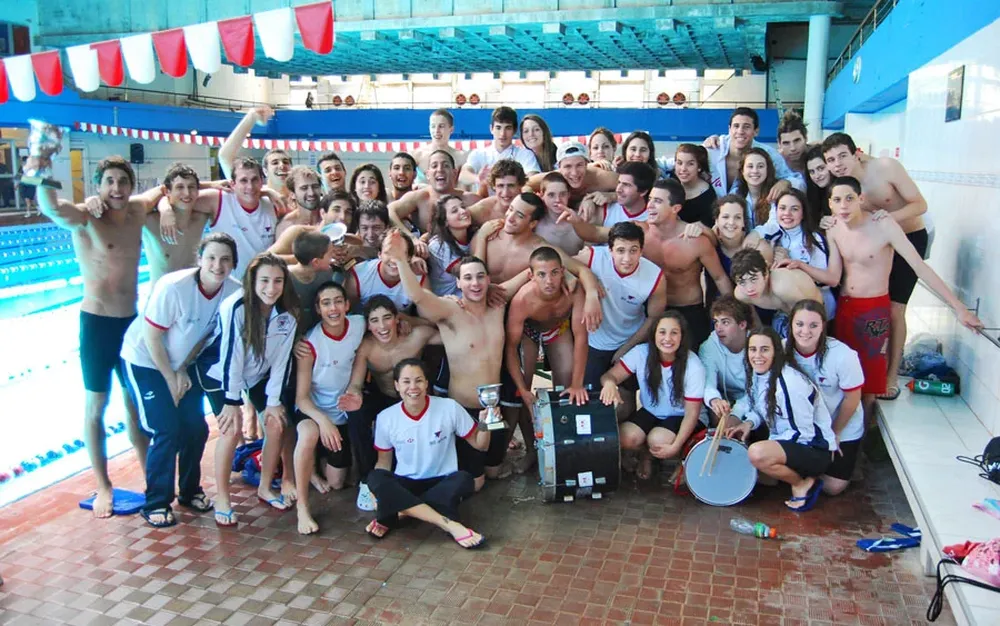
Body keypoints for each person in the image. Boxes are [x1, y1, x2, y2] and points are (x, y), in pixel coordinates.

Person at [36, 155, 155, 518]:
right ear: (98, 186)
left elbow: (168, 190)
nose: (117, 188)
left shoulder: (137, 211)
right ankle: (104, 485)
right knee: (96, 406)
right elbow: (51, 207)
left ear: (131, 185)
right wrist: (43, 172)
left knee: (135, 405)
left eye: (123, 181)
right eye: (109, 182)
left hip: (129, 324)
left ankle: (151, 478)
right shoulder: (85, 217)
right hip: (97, 324)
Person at [823, 176, 981, 425]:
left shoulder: (883, 225)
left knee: (870, 386)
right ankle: (842, 437)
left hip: (873, 310)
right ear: (830, 204)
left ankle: (865, 439)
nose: (844, 205)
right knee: (843, 377)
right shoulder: (833, 228)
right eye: (837, 200)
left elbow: (919, 266)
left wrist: (958, 307)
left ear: (861, 199)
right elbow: (833, 276)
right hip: (846, 307)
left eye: (849, 198)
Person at [387, 231, 531, 489]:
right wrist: (400, 260)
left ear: (488, 280)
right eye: (468, 278)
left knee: (493, 472)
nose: (475, 283)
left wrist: (567, 274)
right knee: (474, 484)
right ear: (459, 284)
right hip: (462, 411)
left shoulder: (498, 304)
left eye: (480, 277)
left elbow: (533, 271)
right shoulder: (450, 310)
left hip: (492, 409)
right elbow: (418, 296)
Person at [120, 233, 241, 527]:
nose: (217, 265)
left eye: (225, 259)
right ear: (199, 259)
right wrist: (170, 377)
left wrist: (183, 369)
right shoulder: (173, 287)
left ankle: (189, 491)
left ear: (234, 264)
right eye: (211, 258)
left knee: (195, 428)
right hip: (145, 360)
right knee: (166, 429)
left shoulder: (233, 292)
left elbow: (206, 336)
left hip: (180, 365)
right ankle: (156, 502)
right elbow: (151, 337)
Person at [822, 133, 930, 401]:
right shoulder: (844, 187)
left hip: (909, 236)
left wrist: (887, 221)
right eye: (831, 160)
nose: (837, 164)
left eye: (842, 156)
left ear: (856, 153)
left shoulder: (885, 168)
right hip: (877, 245)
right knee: (878, 305)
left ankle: (890, 376)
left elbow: (920, 205)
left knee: (896, 309)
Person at [565, 179, 733, 347]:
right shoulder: (637, 232)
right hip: (646, 308)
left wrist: (732, 313)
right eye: (650, 199)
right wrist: (575, 221)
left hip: (686, 310)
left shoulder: (696, 241)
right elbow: (594, 233)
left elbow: (719, 278)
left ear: (675, 208)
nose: (649, 205)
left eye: (657, 201)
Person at [201, 253, 299, 526]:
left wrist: (274, 401)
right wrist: (232, 401)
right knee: (231, 430)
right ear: (252, 281)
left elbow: (281, 361)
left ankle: (265, 487)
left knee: (276, 424)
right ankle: (223, 498)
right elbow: (231, 356)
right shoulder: (236, 307)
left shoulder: (288, 314)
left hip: (257, 374)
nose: (271, 288)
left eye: (278, 281)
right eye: (264, 280)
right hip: (220, 372)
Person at [365, 358, 490, 549]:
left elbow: (480, 445)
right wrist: (376, 492)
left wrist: (486, 423)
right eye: (406, 381)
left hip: (442, 481)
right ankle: (449, 524)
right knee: (375, 477)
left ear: (426, 383)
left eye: (418, 380)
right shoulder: (386, 417)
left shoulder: (449, 407)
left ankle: (400, 511)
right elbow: (384, 462)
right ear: (397, 386)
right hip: (405, 483)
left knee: (464, 480)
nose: (413, 387)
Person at [344, 296, 442, 511]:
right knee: (356, 412)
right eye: (375, 320)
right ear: (368, 325)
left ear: (397, 319)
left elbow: (448, 332)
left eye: (387, 318)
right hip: (384, 397)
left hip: (413, 399)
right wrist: (354, 394)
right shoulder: (367, 346)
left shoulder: (416, 337)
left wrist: (412, 321)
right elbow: (356, 384)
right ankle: (366, 479)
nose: (382, 326)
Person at [726, 327, 837, 512]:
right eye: (753, 349)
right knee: (758, 470)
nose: (757, 355)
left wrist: (771, 448)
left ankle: (802, 483)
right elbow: (762, 408)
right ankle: (781, 474)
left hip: (814, 448)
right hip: (791, 440)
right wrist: (749, 423)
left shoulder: (790, 384)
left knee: (756, 454)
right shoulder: (759, 374)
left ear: (776, 352)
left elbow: (803, 433)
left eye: (764, 349)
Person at [292, 282, 365, 534]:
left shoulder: (358, 325)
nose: (333, 308)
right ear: (318, 309)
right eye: (326, 303)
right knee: (309, 433)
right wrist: (323, 421)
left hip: (342, 413)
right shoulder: (310, 344)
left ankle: (318, 461)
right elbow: (301, 398)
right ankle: (303, 506)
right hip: (313, 411)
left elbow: (388, 319)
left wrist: (406, 323)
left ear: (347, 305)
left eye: (337, 301)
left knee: (337, 483)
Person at [601, 311, 706, 480]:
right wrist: (609, 384)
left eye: (674, 333)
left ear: (682, 337)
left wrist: (676, 446)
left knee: (658, 439)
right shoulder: (641, 353)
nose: (667, 338)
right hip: (652, 411)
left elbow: (692, 414)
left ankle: (679, 458)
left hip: (681, 415)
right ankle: (646, 454)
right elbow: (610, 375)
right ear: (654, 334)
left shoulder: (693, 365)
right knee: (625, 437)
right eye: (662, 332)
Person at [785, 299, 865, 496]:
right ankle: (802, 476)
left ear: (823, 327)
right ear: (791, 325)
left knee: (833, 487)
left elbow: (852, 399)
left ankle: (811, 474)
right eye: (799, 324)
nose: (805, 331)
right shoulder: (780, 350)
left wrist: (834, 433)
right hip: (803, 427)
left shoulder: (843, 355)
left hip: (840, 426)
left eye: (813, 325)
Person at [576, 221, 667, 389]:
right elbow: (561, 263)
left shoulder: (655, 276)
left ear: (641, 250)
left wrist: (627, 348)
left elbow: (654, 318)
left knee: (626, 399)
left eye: (633, 250)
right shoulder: (594, 257)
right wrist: (589, 283)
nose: (627, 258)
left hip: (632, 339)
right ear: (610, 250)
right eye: (620, 251)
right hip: (596, 341)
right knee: (591, 397)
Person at [504, 247, 589, 416]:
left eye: (554, 273)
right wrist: (522, 389)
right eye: (542, 274)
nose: (549, 281)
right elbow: (511, 347)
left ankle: (562, 425)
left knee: (567, 384)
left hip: (558, 329)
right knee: (524, 388)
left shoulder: (574, 291)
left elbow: (581, 337)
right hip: (529, 332)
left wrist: (577, 384)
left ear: (563, 271)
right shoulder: (522, 299)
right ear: (531, 276)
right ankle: (531, 431)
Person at [757, 188, 838, 318]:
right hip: (785, 308)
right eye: (782, 208)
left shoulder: (813, 239)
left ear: (803, 213)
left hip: (817, 306)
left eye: (794, 209)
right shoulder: (773, 238)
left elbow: (827, 280)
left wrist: (795, 265)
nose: (787, 213)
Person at [700, 107, 805, 199]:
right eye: (736, 126)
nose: (740, 131)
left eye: (746, 127)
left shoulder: (768, 154)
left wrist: (786, 182)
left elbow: (798, 181)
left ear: (756, 131)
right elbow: (690, 160)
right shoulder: (712, 148)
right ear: (729, 129)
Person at [208, 157, 280, 280]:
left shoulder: (273, 205)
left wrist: (269, 192)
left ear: (262, 181)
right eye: (243, 181)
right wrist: (210, 184)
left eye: (254, 180)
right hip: (228, 284)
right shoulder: (219, 199)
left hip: (262, 284)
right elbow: (184, 194)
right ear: (232, 184)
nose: (250, 186)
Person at [731, 248, 821, 337]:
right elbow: (756, 325)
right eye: (742, 282)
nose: (749, 289)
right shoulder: (741, 295)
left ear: (766, 273)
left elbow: (809, 314)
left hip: (815, 312)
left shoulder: (782, 287)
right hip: (785, 315)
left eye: (753, 279)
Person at [389, 150, 480, 236]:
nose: (440, 169)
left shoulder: (470, 199)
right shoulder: (419, 197)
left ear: (454, 173)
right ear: (427, 174)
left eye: (445, 165)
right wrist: (411, 238)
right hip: (426, 246)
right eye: (434, 166)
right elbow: (390, 211)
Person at [704, 195, 773, 305]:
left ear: (744, 222)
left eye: (737, 217)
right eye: (725, 217)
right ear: (716, 220)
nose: (731, 222)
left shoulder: (759, 247)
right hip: (720, 308)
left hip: (758, 308)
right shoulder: (709, 245)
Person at [699, 296, 752, 427]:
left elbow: (758, 389)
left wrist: (736, 414)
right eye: (716, 322)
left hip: (754, 398)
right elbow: (708, 383)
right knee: (718, 414)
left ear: (742, 325)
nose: (719, 328)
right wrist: (715, 400)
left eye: (725, 322)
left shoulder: (756, 345)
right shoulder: (708, 347)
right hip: (727, 399)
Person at [219, 106, 292, 198]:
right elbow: (224, 156)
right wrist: (252, 117)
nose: (282, 165)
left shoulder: (301, 196)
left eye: (286, 162)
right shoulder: (252, 194)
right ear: (265, 171)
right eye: (275, 163)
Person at [461, 106, 541, 189]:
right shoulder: (478, 154)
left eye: (508, 128)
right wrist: (478, 179)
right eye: (498, 128)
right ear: (491, 129)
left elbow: (533, 178)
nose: (502, 134)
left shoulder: (525, 154)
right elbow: (463, 175)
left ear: (514, 130)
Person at [345, 230, 425, 311]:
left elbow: (428, 317)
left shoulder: (418, 274)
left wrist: (402, 317)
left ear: (409, 257)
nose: (394, 259)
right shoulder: (359, 274)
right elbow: (347, 310)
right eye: (388, 252)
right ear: (379, 254)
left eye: (401, 253)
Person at [427, 195, 477, 297]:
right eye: (454, 211)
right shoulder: (438, 245)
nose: (463, 211)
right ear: (445, 222)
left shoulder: (473, 234)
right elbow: (472, 272)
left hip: (470, 291)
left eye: (463, 207)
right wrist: (482, 236)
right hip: (447, 298)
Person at [581, 161, 654, 227]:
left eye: (626, 185)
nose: (618, 189)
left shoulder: (653, 218)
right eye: (619, 182)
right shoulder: (606, 208)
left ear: (643, 191)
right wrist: (587, 200)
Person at [535, 172, 587, 256]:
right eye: (551, 195)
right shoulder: (535, 225)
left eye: (562, 194)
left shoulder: (582, 218)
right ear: (542, 196)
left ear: (569, 194)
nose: (557, 200)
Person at [467, 159, 527, 226]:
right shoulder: (480, 211)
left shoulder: (530, 208)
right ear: (494, 186)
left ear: (521, 185)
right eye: (500, 186)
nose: (505, 192)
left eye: (511, 186)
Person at [673, 144, 717, 228]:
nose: (683, 168)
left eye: (690, 164)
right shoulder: (671, 184)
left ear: (699, 167)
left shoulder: (708, 197)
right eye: (679, 163)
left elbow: (707, 226)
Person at [733, 147, 779, 230]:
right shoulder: (735, 194)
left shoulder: (777, 195)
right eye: (750, 166)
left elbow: (774, 227)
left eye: (760, 166)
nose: (755, 171)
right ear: (742, 171)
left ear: (768, 170)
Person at [412, 108, 467, 174]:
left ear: (451, 129)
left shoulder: (461, 157)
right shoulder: (417, 156)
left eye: (441, 126)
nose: (436, 131)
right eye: (433, 126)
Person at [276, 166, 324, 236]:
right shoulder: (286, 226)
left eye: (315, 186)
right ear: (293, 194)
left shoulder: (330, 216)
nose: (311, 193)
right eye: (304, 188)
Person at [804, 145, 831, 229]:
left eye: (821, 168)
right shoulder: (814, 193)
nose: (817, 176)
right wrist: (821, 223)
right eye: (812, 172)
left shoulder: (844, 187)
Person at [777, 110, 809, 174]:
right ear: (779, 144)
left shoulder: (820, 153)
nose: (793, 148)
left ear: (806, 138)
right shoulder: (774, 162)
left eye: (797, 140)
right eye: (786, 143)